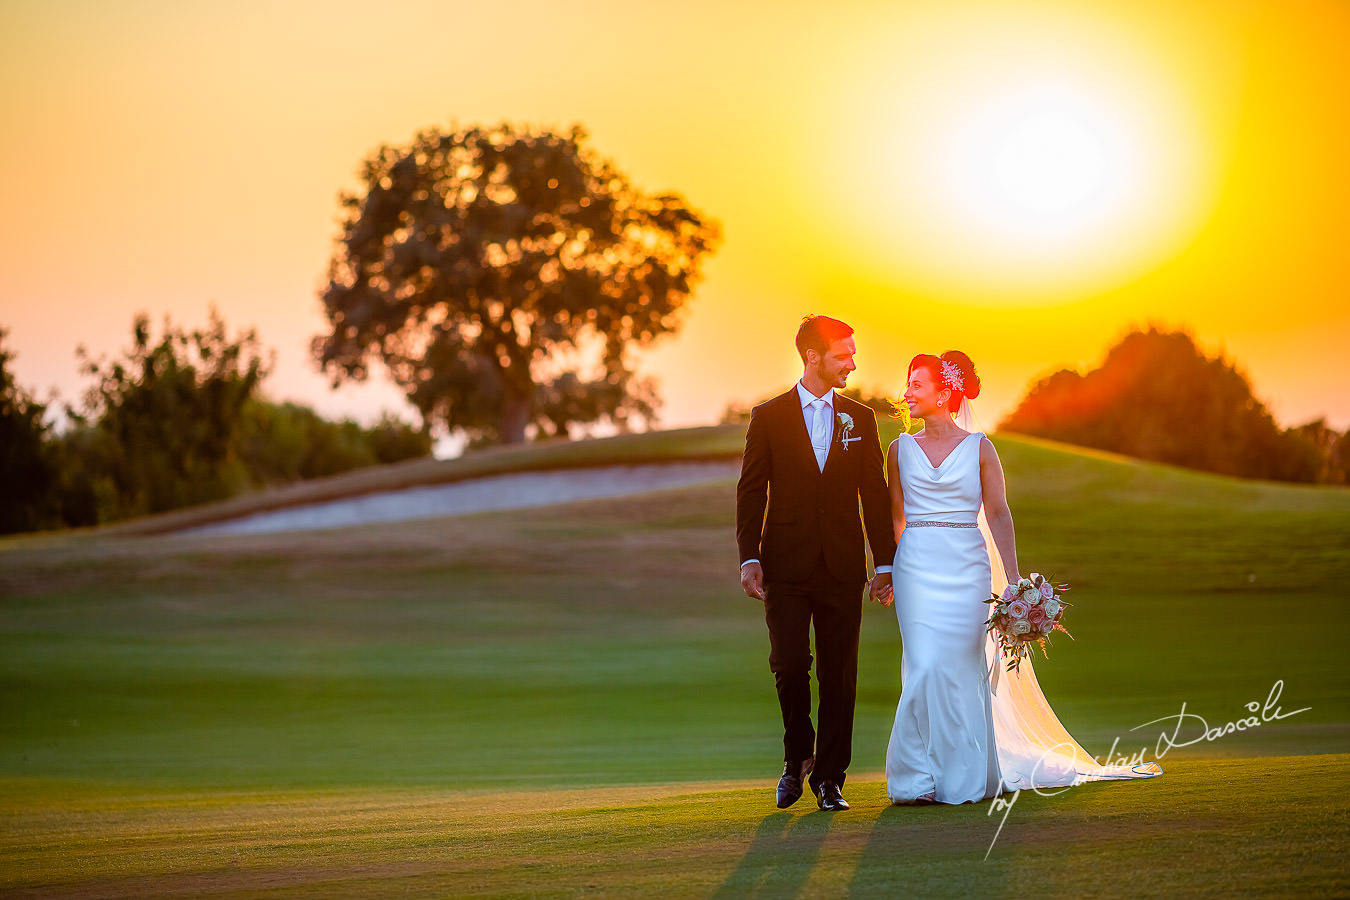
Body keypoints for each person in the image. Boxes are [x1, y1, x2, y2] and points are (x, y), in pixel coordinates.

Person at [882, 351, 1161, 805]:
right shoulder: (898, 450)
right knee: (923, 667)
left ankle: (962, 777)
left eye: (917, 383)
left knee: (961, 668)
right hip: (916, 566)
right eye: (907, 383)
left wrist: (1015, 582)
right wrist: (892, 568)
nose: (907, 391)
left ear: (944, 390)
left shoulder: (980, 448)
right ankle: (916, 778)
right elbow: (894, 516)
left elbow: (997, 512)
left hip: (968, 566)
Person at [736, 315, 896, 812]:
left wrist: (885, 563)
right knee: (787, 664)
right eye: (843, 354)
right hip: (784, 564)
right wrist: (750, 557)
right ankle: (796, 756)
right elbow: (751, 490)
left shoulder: (861, 419)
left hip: (843, 565)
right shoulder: (768, 417)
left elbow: (874, 494)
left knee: (839, 674)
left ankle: (830, 778)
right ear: (813, 357)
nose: (852, 362)